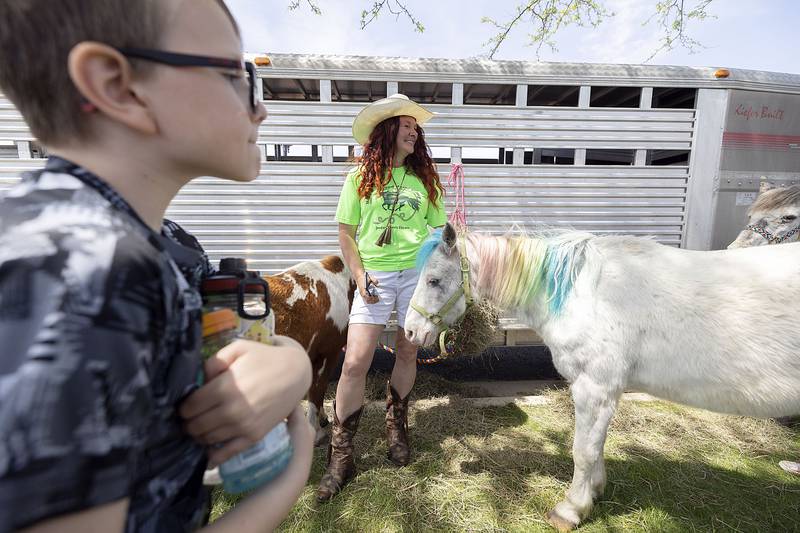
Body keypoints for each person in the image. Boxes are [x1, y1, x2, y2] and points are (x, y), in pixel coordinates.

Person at [0, 1, 314, 531]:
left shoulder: (165, 245)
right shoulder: (83, 269)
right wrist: (292, 476)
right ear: (118, 86)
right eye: (238, 75)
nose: (260, 110)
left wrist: (291, 361)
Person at [316, 94, 447, 502]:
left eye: (416, 127)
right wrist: (359, 273)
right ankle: (342, 455)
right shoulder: (358, 179)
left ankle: (397, 428)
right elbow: (346, 234)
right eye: (406, 125)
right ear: (388, 131)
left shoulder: (425, 179)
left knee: (407, 353)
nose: (414, 132)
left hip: (414, 276)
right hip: (374, 276)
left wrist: (435, 278)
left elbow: (439, 233)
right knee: (355, 360)